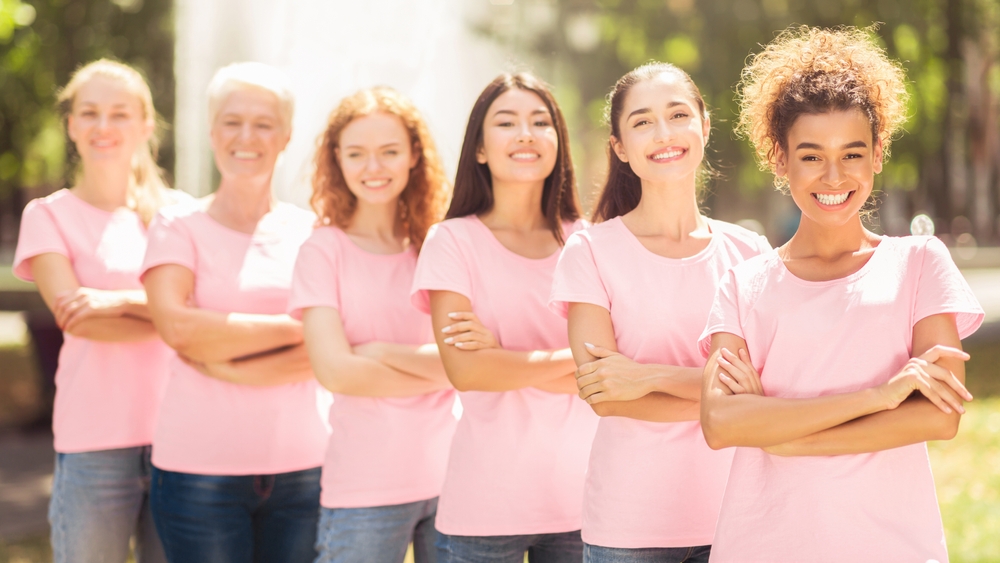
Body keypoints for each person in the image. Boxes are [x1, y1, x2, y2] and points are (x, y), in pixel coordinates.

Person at [699, 26, 984, 562]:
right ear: (780, 160)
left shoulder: (920, 263)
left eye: (852, 153)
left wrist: (781, 432)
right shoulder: (744, 284)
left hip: (892, 548)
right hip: (763, 545)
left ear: (878, 154)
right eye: (811, 156)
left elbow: (938, 414)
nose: (834, 175)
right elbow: (720, 423)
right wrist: (879, 398)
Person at [549, 62, 771, 563]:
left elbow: (770, 382)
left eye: (677, 114)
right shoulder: (590, 251)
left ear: (704, 126)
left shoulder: (751, 251)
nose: (664, 133)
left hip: (739, 517)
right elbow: (605, 395)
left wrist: (646, 376)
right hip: (631, 525)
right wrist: (725, 401)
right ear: (620, 147)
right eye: (643, 122)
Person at [140, 62, 329, 563]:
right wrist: (298, 330)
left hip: (305, 471)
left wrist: (223, 360)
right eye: (232, 120)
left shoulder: (315, 233)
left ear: (286, 136)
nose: (247, 136)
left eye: (264, 123)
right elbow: (178, 327)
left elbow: (333, 351)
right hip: (199, 473)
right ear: (211, 130)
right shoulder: (177, 225)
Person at [411, 73, 599, 562]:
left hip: (585, 504)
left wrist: (502, 357)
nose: (525, 133)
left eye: (541, 121)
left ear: (558, 141)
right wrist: (579, 362)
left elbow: (611, 374)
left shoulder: (590, 242)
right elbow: (467, 372)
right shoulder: (451, 241)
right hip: (483, 509)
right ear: (479, 148)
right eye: (506, 122)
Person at [13, 59, 184, 563]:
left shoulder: (180, 217)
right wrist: (168, 315)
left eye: (119, 114)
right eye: (89, 113)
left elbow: (198, 320)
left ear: (146, 125)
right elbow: (77, 319)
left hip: (181, 440)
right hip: (93, 446)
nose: (103, 127)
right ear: (71, 125)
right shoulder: (47, 215)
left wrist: (114, 302)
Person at [287, 86, 456, 563]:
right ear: (336, 159)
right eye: (357, 153)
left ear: (413, 156)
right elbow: (336, 373)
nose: (373, 167)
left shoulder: (441, 246)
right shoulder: (322, 251)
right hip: (363, 491)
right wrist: (439, 371)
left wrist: (377, 351)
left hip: (453, 482)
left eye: (388, 152)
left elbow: (470, 366)